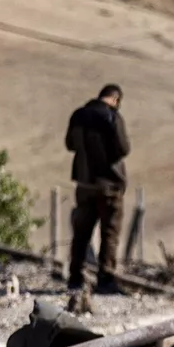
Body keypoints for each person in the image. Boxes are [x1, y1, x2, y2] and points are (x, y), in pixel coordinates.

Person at [65, 84, 131, 294]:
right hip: (109, 185)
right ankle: (106, 278)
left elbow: (70, 144)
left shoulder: (79, 115)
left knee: (81, 232)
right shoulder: (112, 117)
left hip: (84, 183)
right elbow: (123, 148)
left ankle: (75, 276)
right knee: (109, 232)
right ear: (116, 100)